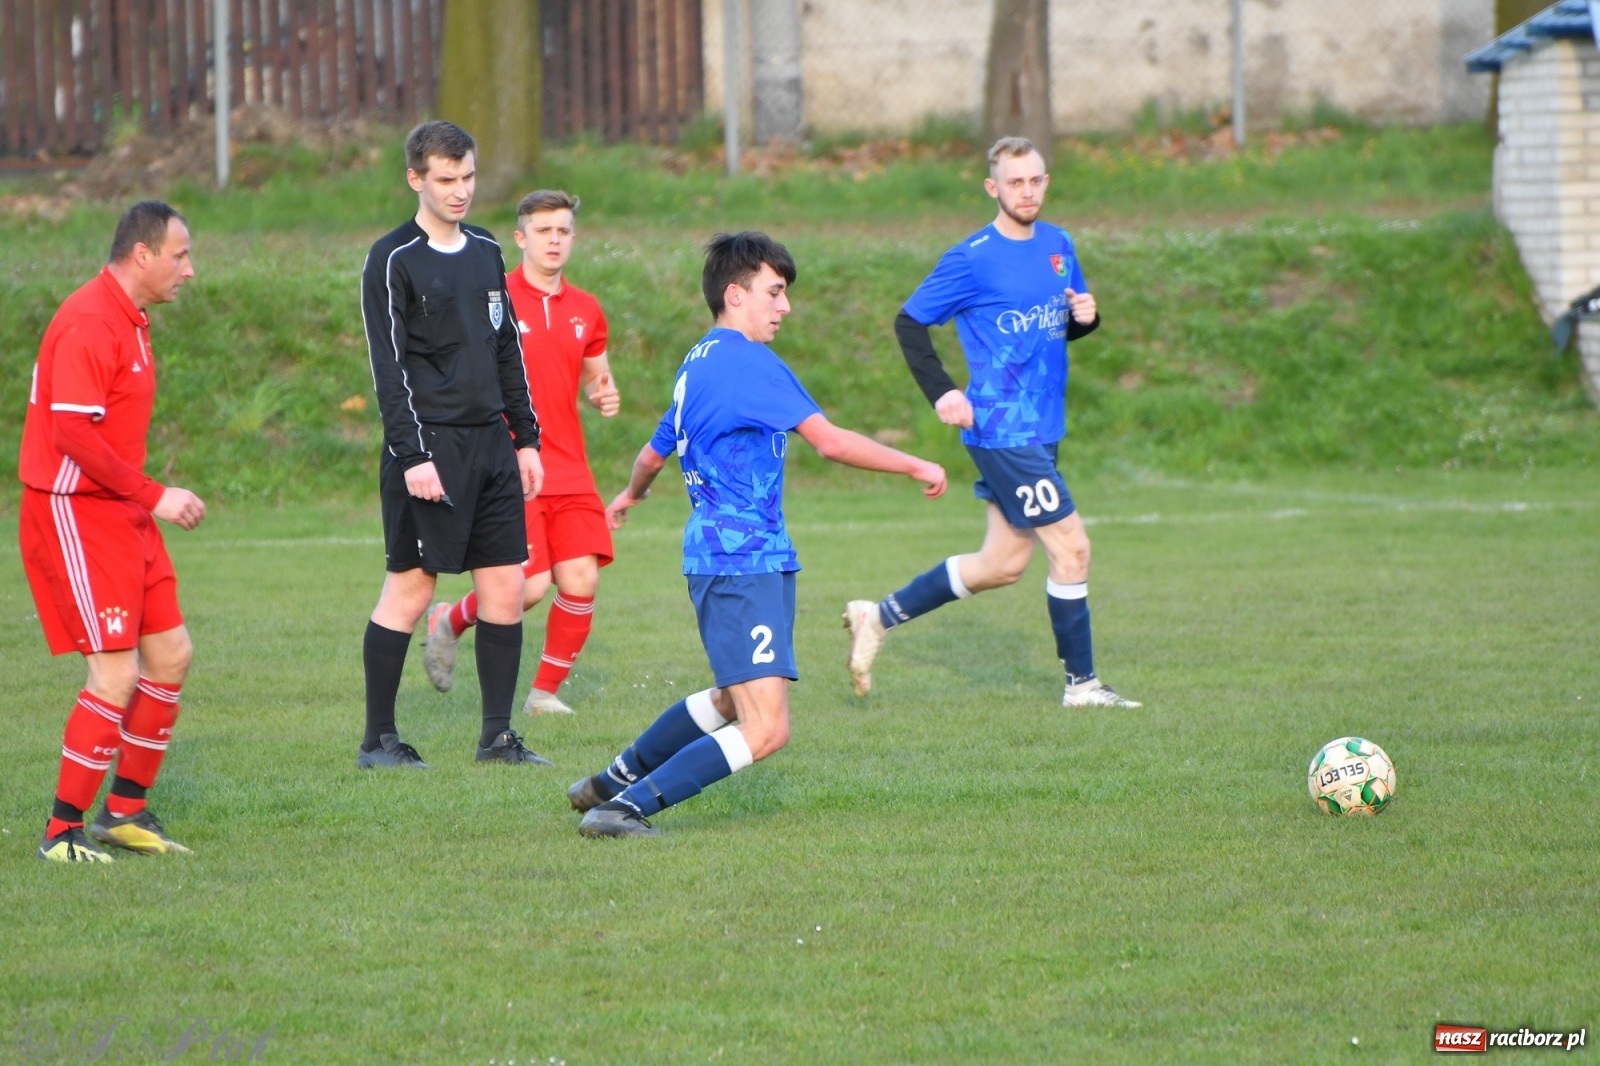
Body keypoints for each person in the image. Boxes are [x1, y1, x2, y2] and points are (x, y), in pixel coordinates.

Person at [566, 231, 948, 838]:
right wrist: (915, 463)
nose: (785, 306)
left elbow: (653, 453)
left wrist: (632, 494)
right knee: (766, 727)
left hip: (717, 556)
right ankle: (623, 809)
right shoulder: (750, 363)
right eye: (775, 292)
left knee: (730, 699)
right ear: (735, 294)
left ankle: (608, 783)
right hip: (744, 561)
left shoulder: (697, 362)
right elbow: (829, 441)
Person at [842, 136, 1141, 708]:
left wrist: (1086, 318)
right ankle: (1082, 686)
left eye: (1035, 180)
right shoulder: (971, 258)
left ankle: (876, 618)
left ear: (1046, 182)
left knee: (1002, 564)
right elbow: (910, 323)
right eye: (1014, 182)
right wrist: (943, 393)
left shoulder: (1058, 244)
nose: (1026, 192)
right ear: (992, 188)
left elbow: (1057, 326)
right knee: (1072, 547)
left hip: (1044, 425)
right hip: (1003, 429)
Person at [357, 120, 552, 770]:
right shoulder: (392, 259)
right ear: (416, 178)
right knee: (411, 592)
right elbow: (388, 369)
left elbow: (507, 350)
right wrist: (412, 456)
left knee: (505, 587)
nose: (460, 190)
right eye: (446, 179)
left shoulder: (488, 249)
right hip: (428, 449)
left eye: (468, 176)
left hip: (491, 445)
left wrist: (525, 439)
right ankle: (377, 741)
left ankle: (496, 738)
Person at [20, 200, 207, 862]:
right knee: (114, 672)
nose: (189, 269)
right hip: (76, 512)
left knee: (171, 654)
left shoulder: (130, 318)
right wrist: (156, 494)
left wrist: (141, 499)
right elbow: (72, 433)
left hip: (121, 509)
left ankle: (123, 812)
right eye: (180, 255)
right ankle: (61, 831)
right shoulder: (91, 320)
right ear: (142, 255)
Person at [422, 189, 621, 716]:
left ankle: (543, 695)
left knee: (581, 578)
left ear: (573, 238)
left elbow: (596, 376)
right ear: (520, 237)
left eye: (563, 231)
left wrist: (602, 393)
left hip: (570, 467)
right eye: (543, 230)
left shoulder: (587, 309)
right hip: (511, 463)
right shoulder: (495, 298)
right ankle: (449, 620)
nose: (554, 240)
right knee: (527, 588)